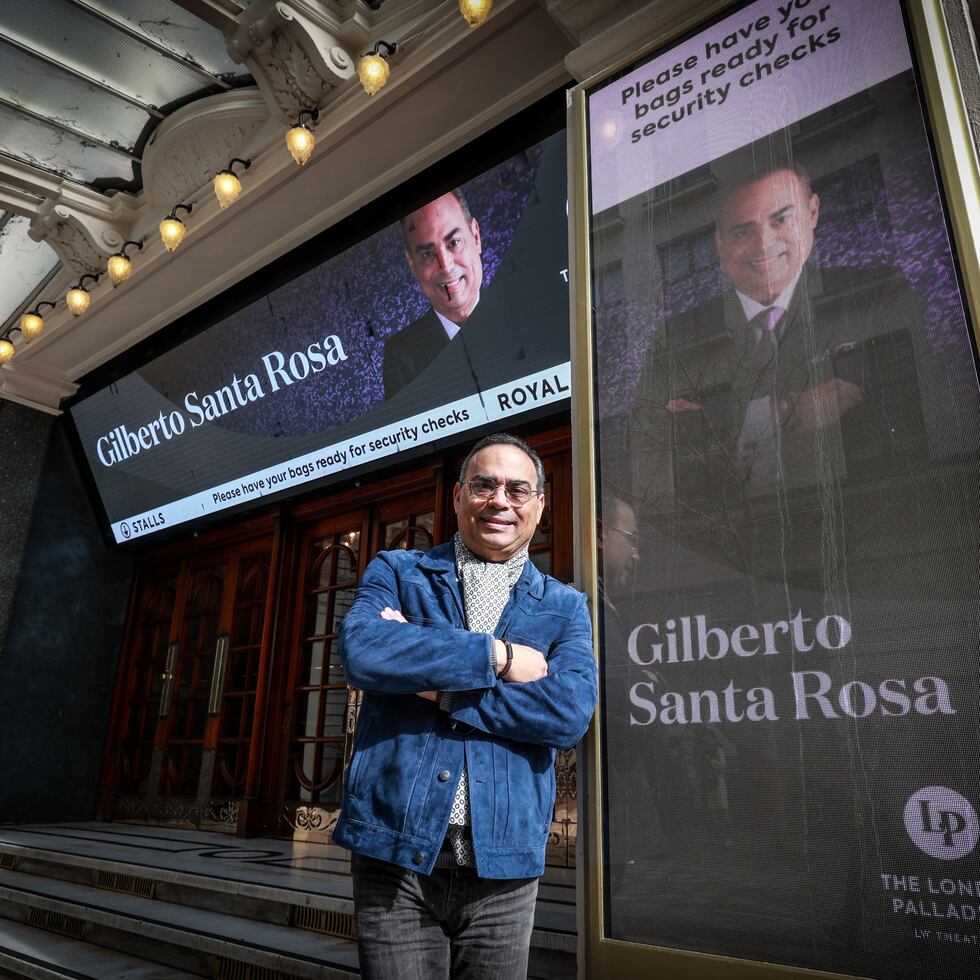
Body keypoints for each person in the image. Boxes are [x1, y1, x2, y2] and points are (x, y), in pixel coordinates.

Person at [334, 432, 597, 979]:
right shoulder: (398, 573)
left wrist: (432, 682)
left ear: (540, 506)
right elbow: (363, 651)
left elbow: (567, 714)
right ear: (458, 497)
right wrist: (497, 656)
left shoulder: (566, 608)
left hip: (503, 866)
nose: (500, 500)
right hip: (394, 856)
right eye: (484, 484)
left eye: (518, 489)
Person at [629, 160, 926, 529]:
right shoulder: (672, 338)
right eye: (742, 232)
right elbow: (655, 440)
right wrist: (784, 411)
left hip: (877, 518)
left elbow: (898, 400)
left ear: (813, 211)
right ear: (719, 243)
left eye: (780, 220)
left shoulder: (879, 290)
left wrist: (724, 418)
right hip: (734, 529)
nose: (764, 244)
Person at [382, 189, 483, 399]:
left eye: (453, 243)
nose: (445, 266)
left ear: (475, 236)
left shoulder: (523, 309)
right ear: (412, 263)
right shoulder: (401, 356)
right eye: (428, 254)